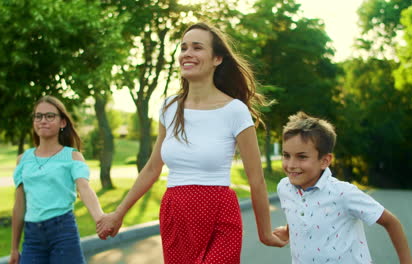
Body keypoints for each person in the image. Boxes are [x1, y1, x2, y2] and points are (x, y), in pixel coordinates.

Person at [96, 22, 287, 263]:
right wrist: (118, 213)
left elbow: (256, 180)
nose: (187, 53)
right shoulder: (168, 108)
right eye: (184, 47)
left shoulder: (235, 111)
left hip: (220, 215)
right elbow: (153, 168)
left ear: (217, 58)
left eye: (197, 48)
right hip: (176, 215)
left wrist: (264, 233)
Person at [273, 111, 412, 263]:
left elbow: (391, 223)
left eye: (302, 157)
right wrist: (288, 231)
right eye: (286, 155)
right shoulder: (284, 187)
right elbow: (303, 212)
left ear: (325, 161)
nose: (292, 165)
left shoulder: (343, 194)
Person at [9, 95, 106, 264]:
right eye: (38, 116)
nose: (43, 121)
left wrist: (100, 218)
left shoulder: (73, 157)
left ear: (62, 122)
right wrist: (14, 248)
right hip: (32, 236)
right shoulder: (23, 160)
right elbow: (19, 205)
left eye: (50, 116)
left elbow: (84, 189)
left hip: (63, 231)